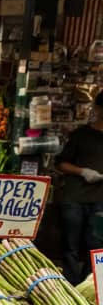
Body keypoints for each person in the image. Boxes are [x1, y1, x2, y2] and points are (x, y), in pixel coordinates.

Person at [55, 91, 103, 283]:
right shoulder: (81, 135)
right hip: (74, 198)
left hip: (100, 201)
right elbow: (61, 164)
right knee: (70, 246)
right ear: (98, 109)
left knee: (97, 246)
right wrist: (83, 171)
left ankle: (90, 285)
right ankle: (69, 285)